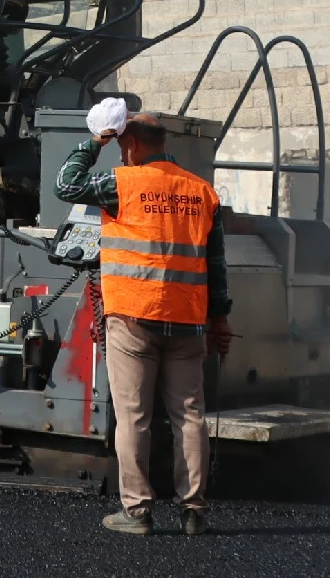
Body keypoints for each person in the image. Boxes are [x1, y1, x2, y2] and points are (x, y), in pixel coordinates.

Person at [54, 99, 232, 537]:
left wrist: (95, 141)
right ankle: (193, 510)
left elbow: (66, 183)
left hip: (133, 315)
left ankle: (136, 512)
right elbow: (217, 266)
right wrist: (220, 320)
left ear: (129, 143)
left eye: (119, 143)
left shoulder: (122, 183)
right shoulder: (202, 191)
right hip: (188, 321)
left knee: (134, 415)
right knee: (189, 414)